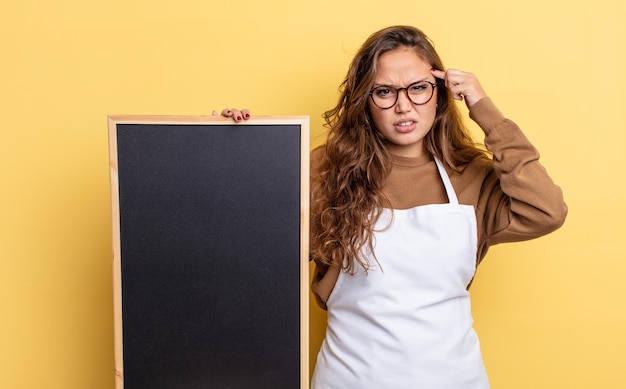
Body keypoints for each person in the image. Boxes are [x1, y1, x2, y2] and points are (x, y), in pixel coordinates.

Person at [223, 25, 567, 389]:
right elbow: (247, 251)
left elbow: (547, 210)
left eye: (418, 88)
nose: (403, 105)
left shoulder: (473, 177)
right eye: (384, 92)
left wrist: (484, 109)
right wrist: (233, 146)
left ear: (440, 95)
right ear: (365, 102)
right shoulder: (325, 172)